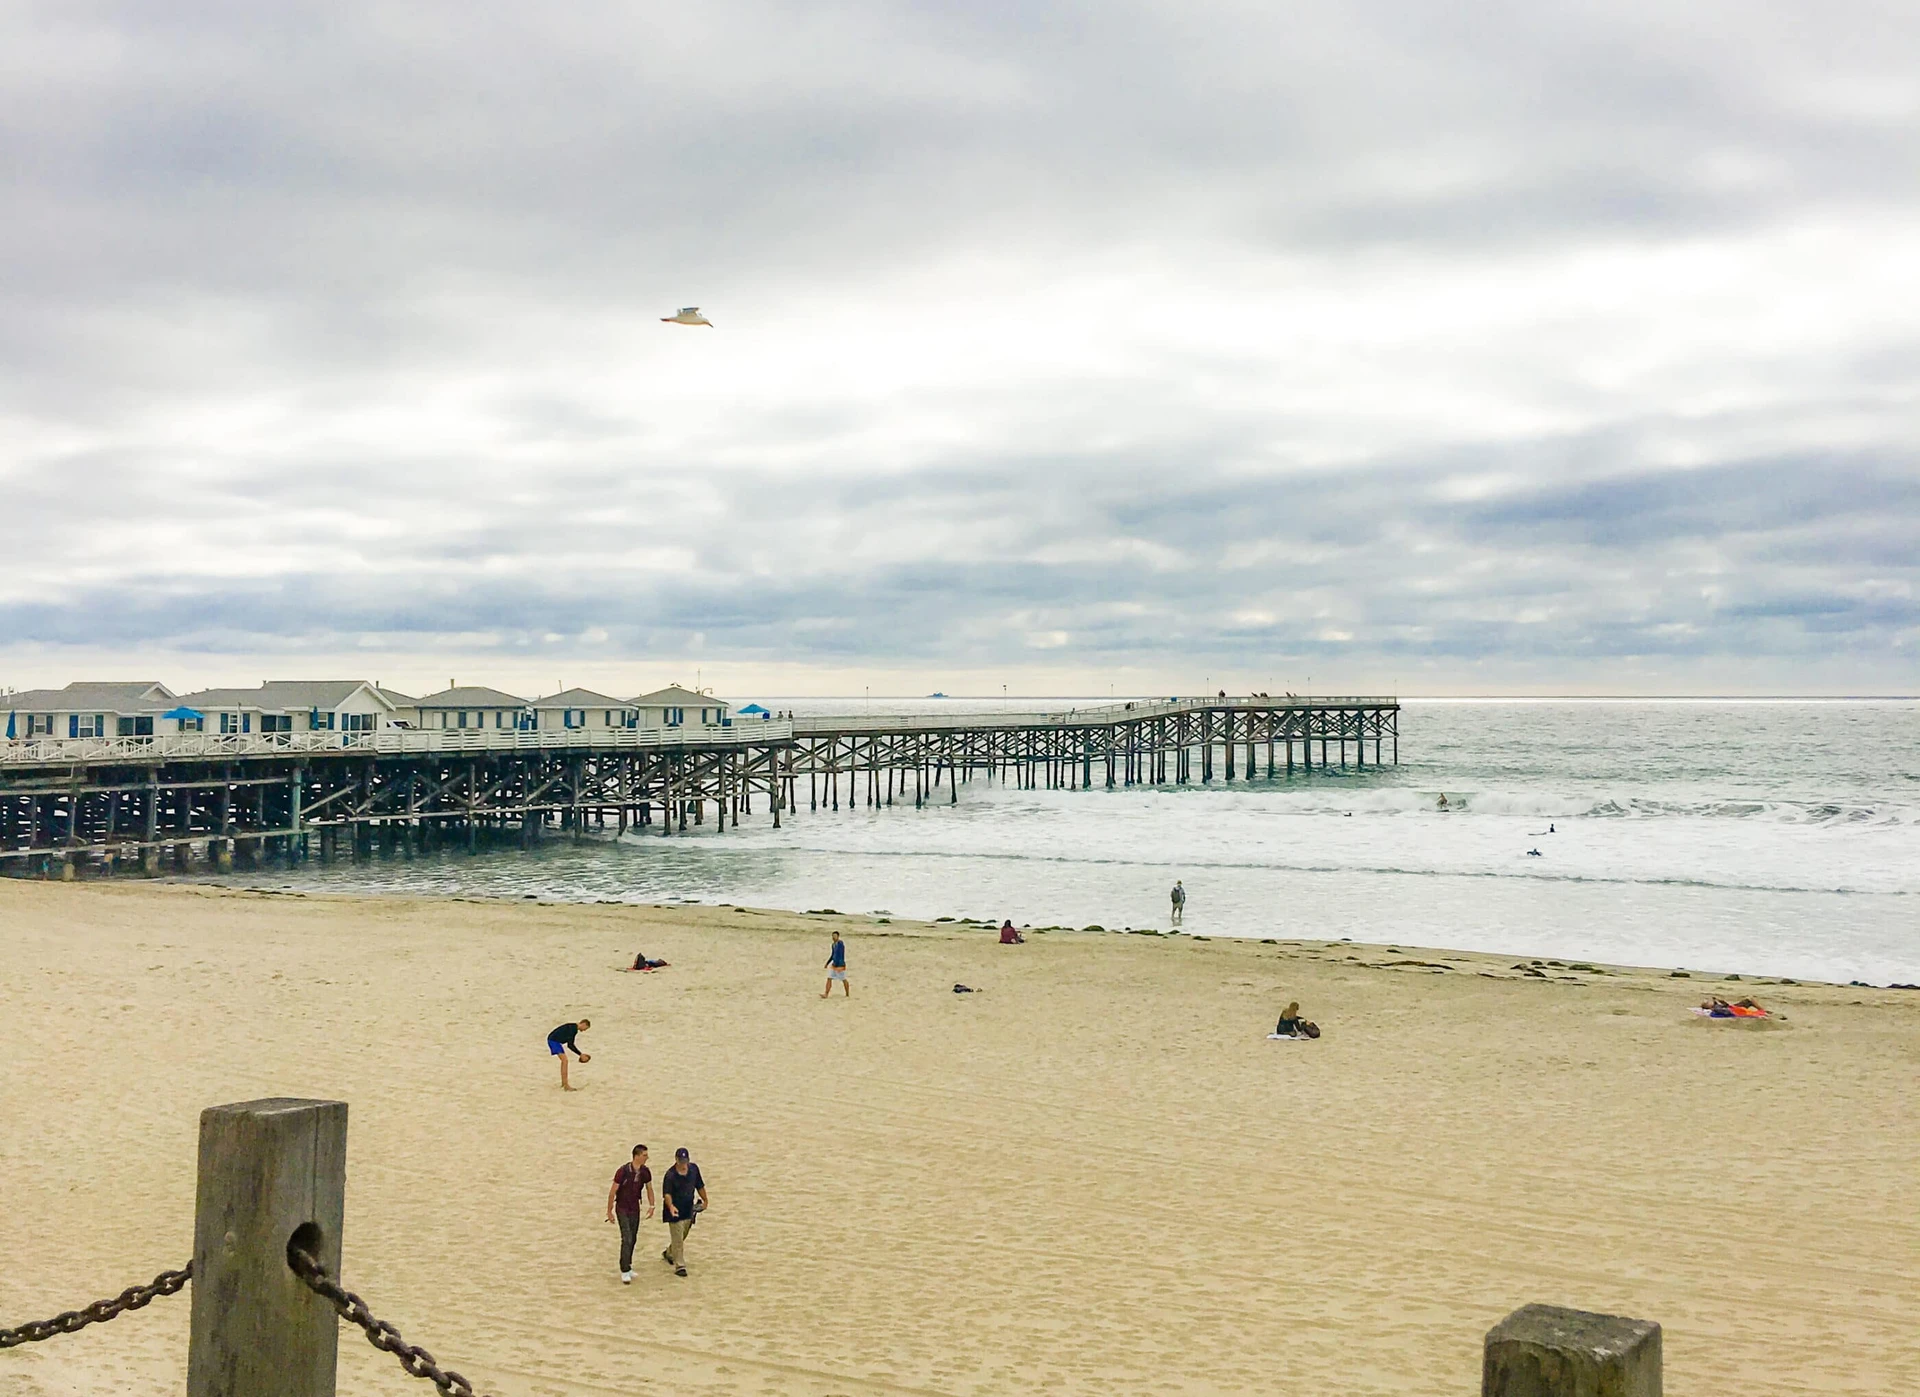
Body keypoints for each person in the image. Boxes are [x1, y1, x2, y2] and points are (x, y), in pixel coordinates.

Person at [605, 1144, 655, 1282]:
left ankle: (628, 1264)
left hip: (635, 1208)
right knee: (626, 1237)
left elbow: (649, 1189)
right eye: (644, 1155)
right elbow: (613, 1191)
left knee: (633, 1238)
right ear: (637, 1156)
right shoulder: (623, 1171)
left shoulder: (645, 1172)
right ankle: (624, 1269)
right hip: (622, 1208)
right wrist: (609, 1211)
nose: (647, 1158)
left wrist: (652, 1205)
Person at [660, 1147, 708, 1276]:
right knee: (677, 1238)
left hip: (688, 1209)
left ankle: (669, 1253)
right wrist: (671, 1206)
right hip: (674, 1211)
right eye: (681, 1161)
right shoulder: (670, 1175)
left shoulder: (694, 1170)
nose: (683, 1164)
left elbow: (700, 1185)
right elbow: (667, 1194)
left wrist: (705, 1200)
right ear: (676, 1160)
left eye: (685, 1161)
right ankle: (680, 1266)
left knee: (683, 1235)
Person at [547, 1018, 591, 1090]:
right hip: (554, 1041)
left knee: (564, 1061)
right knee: (565, 1061)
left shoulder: (573, 1028)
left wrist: (580, 1054)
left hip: (555, 1041)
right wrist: (580, 1054)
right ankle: (566, 1085)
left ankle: (564, 1083)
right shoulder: (573, 1029)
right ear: (583, 1024)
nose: (583, 1031)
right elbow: (570, 1045)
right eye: (585, 1029)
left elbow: (570, 1044)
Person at [821, 931, 850, 997]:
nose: (834, 937)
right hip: (834, 965)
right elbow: (832, 955)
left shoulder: (840, 944)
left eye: (835, 936)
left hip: (840, 965)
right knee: (829, 978)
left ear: (838, 936)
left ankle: (847, 993)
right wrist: (827, 963)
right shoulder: (833, 945)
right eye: (833, 936)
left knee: (843, 979)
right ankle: (826, 994)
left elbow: (840, 954)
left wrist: (839, 963)